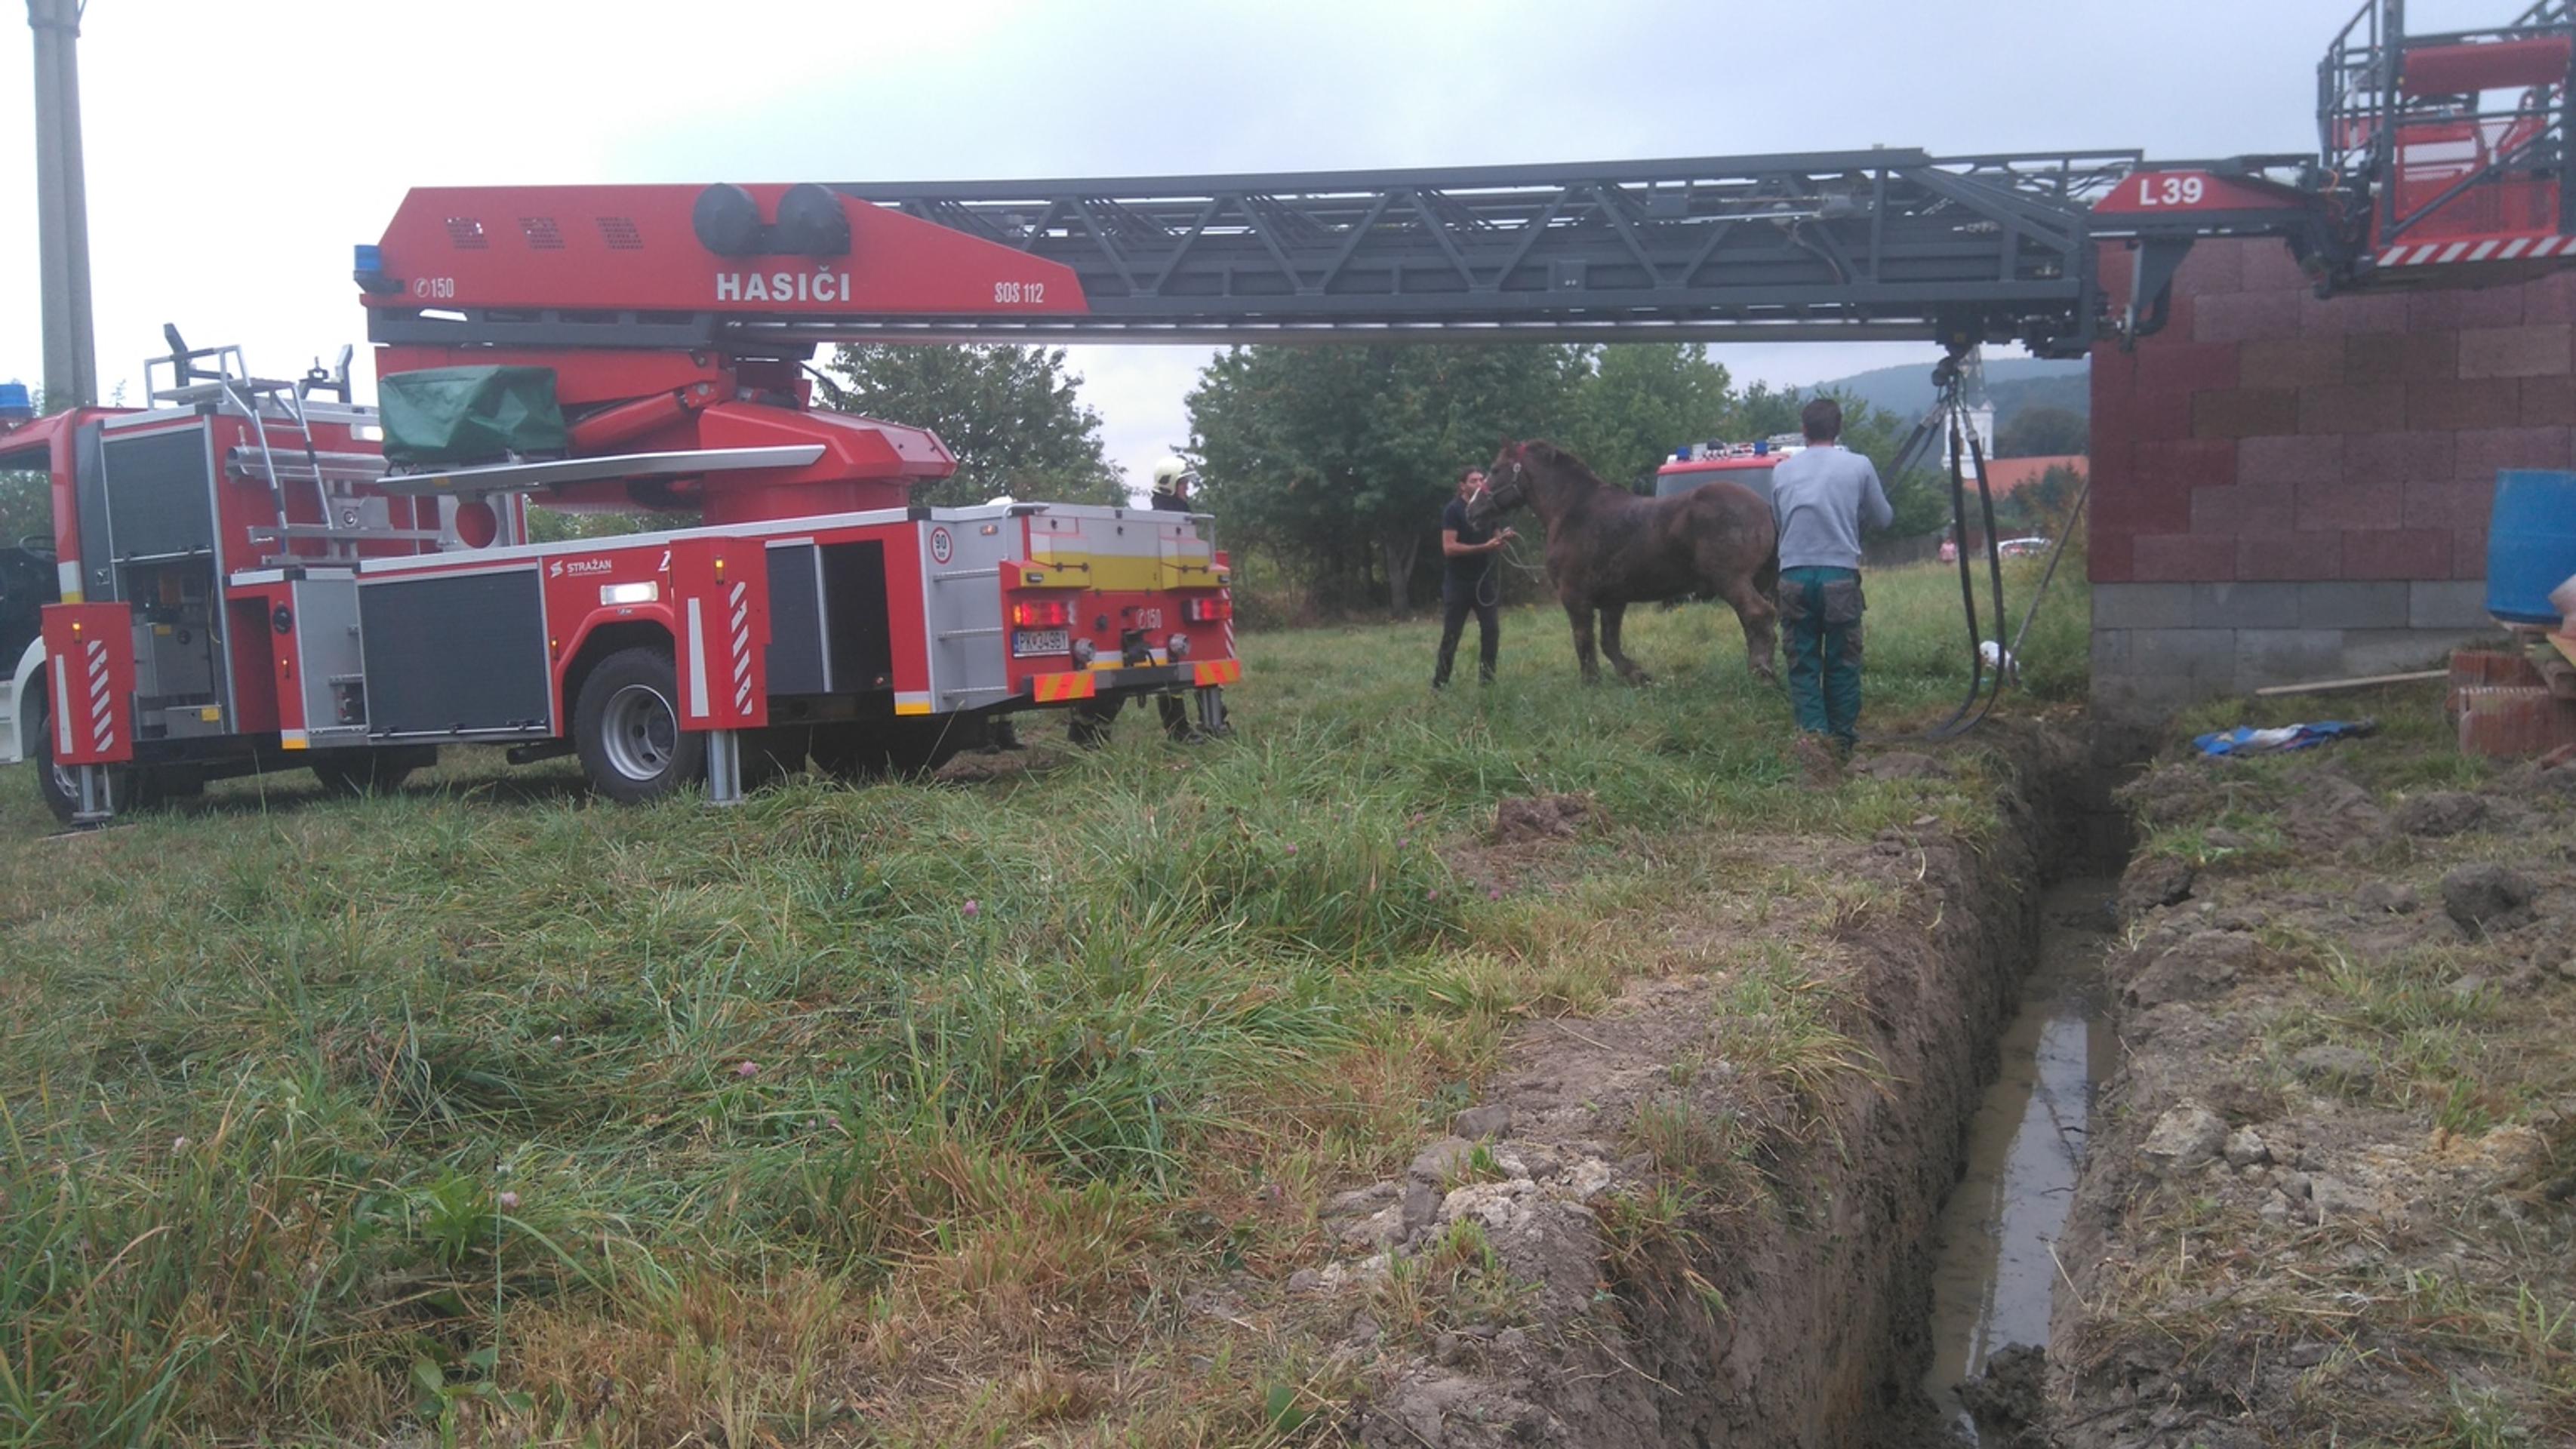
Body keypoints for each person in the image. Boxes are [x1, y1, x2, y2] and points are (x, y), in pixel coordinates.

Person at [1768, 397, 1893, 758]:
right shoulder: (1860, 465)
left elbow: (1779, 521)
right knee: (1842, 659)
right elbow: (1883, 519)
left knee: (1802, 661)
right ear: (1838, 430)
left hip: (1793, 574)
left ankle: (1814, 741)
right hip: (1839, 575)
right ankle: (1842, 742)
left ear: (1804, 431)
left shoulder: (1781, 471)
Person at [1433, 467, 1516, 688]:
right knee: (1452, 635)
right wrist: (1483, 547)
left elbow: (1496, 538)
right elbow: (1449, 548)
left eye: (1482, 479)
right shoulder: (1453, 511)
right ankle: (1440, 684)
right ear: (1462, 485)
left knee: (1491, 632)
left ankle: (1487, 684)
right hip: (1458, 584)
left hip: (1484, 582)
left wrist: (1502, 538)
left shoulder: (1488, 508)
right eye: (1473, 480)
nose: (1480, 483)